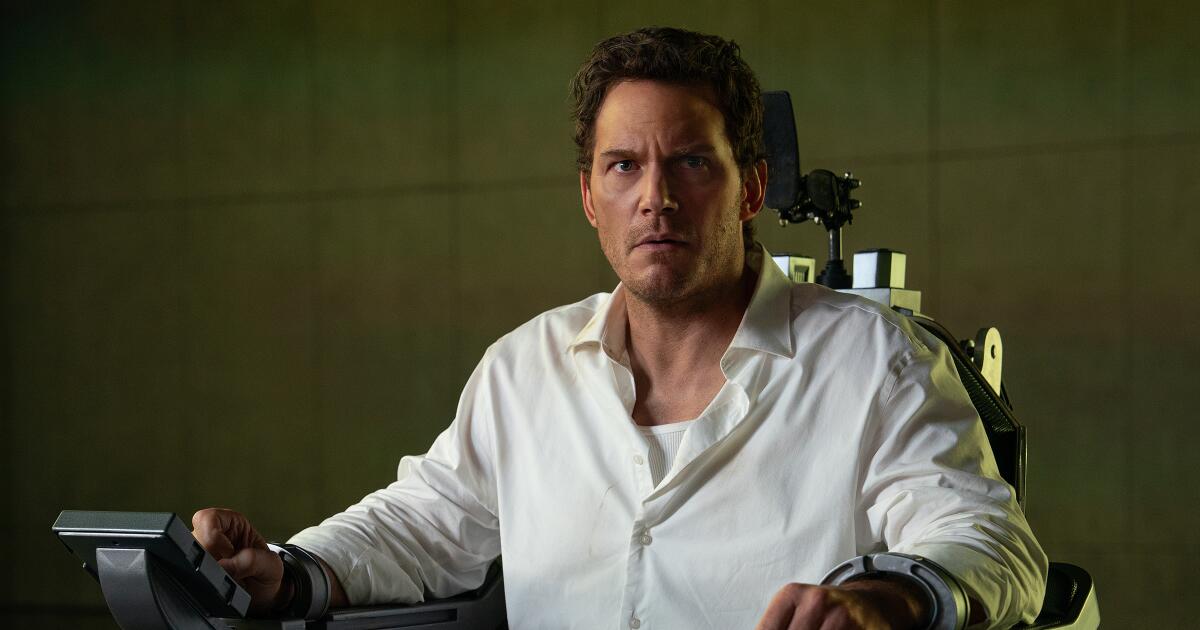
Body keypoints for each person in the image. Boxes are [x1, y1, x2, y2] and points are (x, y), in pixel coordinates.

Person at [193, 27, 1046, 629]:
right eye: (624, 166)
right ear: (589, 196)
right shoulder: (524, 370)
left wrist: (886, 600)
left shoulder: (874, 361)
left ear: (751, 188)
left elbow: (992, 543)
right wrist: (284, 570)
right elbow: (420, 526)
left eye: (691, 162)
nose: (656, 198)